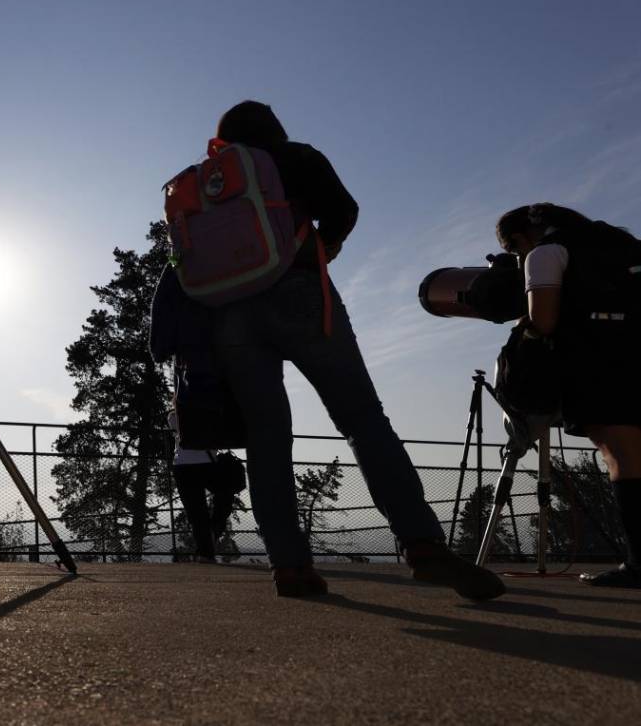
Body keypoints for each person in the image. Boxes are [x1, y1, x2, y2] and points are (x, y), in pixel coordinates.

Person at [203, 101, 504, 599]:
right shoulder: (295, 156)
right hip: (298, 289)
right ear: (274, 130)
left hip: (229, 312)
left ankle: (290, 567)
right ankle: (421, 544)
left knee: (266, 438)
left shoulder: (207, 182)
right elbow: (343, 211)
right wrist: (325, 247)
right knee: (362, 419)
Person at [496, 203, 641, 589]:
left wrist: (523, 326)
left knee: (622, 457)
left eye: (514, 251)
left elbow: (544, 320)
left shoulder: (546, 253)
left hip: (600, 360)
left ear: (524, 237)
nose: (518, 258)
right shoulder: (620, 243)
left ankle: (639, 564)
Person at [169, 410, 244, 563]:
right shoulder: (212, 413)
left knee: (196, 512)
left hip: (183, 466)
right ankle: (215, 528)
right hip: (209, 463)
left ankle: (205, 552)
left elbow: (176, 424)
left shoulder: (173, 416)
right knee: (224, 495)